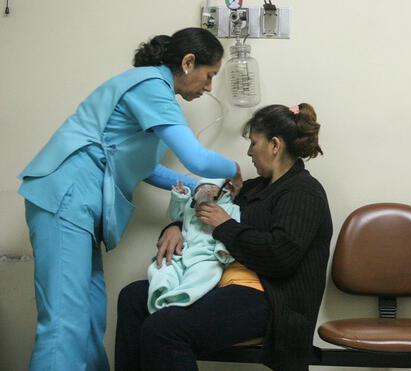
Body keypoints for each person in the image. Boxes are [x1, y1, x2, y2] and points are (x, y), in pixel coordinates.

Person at [18, 28, 242, 371]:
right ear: (188, 62)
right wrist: (232, 168)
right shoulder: (150, 86)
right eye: (210, 76)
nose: (209, 87)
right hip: (64, 198)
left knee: (91, 317)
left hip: (79, 205)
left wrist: (198, 187)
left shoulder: (151, 89)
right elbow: (197, 157)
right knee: (65, 323)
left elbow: (144, 169)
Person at [115, 103, 333, 371]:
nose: (249, 152)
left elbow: (280, 256)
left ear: (275, 145)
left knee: (164, 329)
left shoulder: (304, 192)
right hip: (222, 284)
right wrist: (173, 227)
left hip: (271, 300)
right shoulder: (254, 188)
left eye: (254, 143)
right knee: (132, 298)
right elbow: (206, 215)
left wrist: (225, 226)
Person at [147, 178, 239, 314]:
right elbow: (175, 216)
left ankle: (180, 297)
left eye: (210, 188)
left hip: (207, 256)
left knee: (202, 275)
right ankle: (162, 291)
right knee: (162, 267)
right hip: (183, 252)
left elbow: (231, 228)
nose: (205, 191)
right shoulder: (192, 207)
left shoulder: (231, 208)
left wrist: (223, 249)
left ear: (223, 192)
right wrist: (179, 197)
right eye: (200, 189)